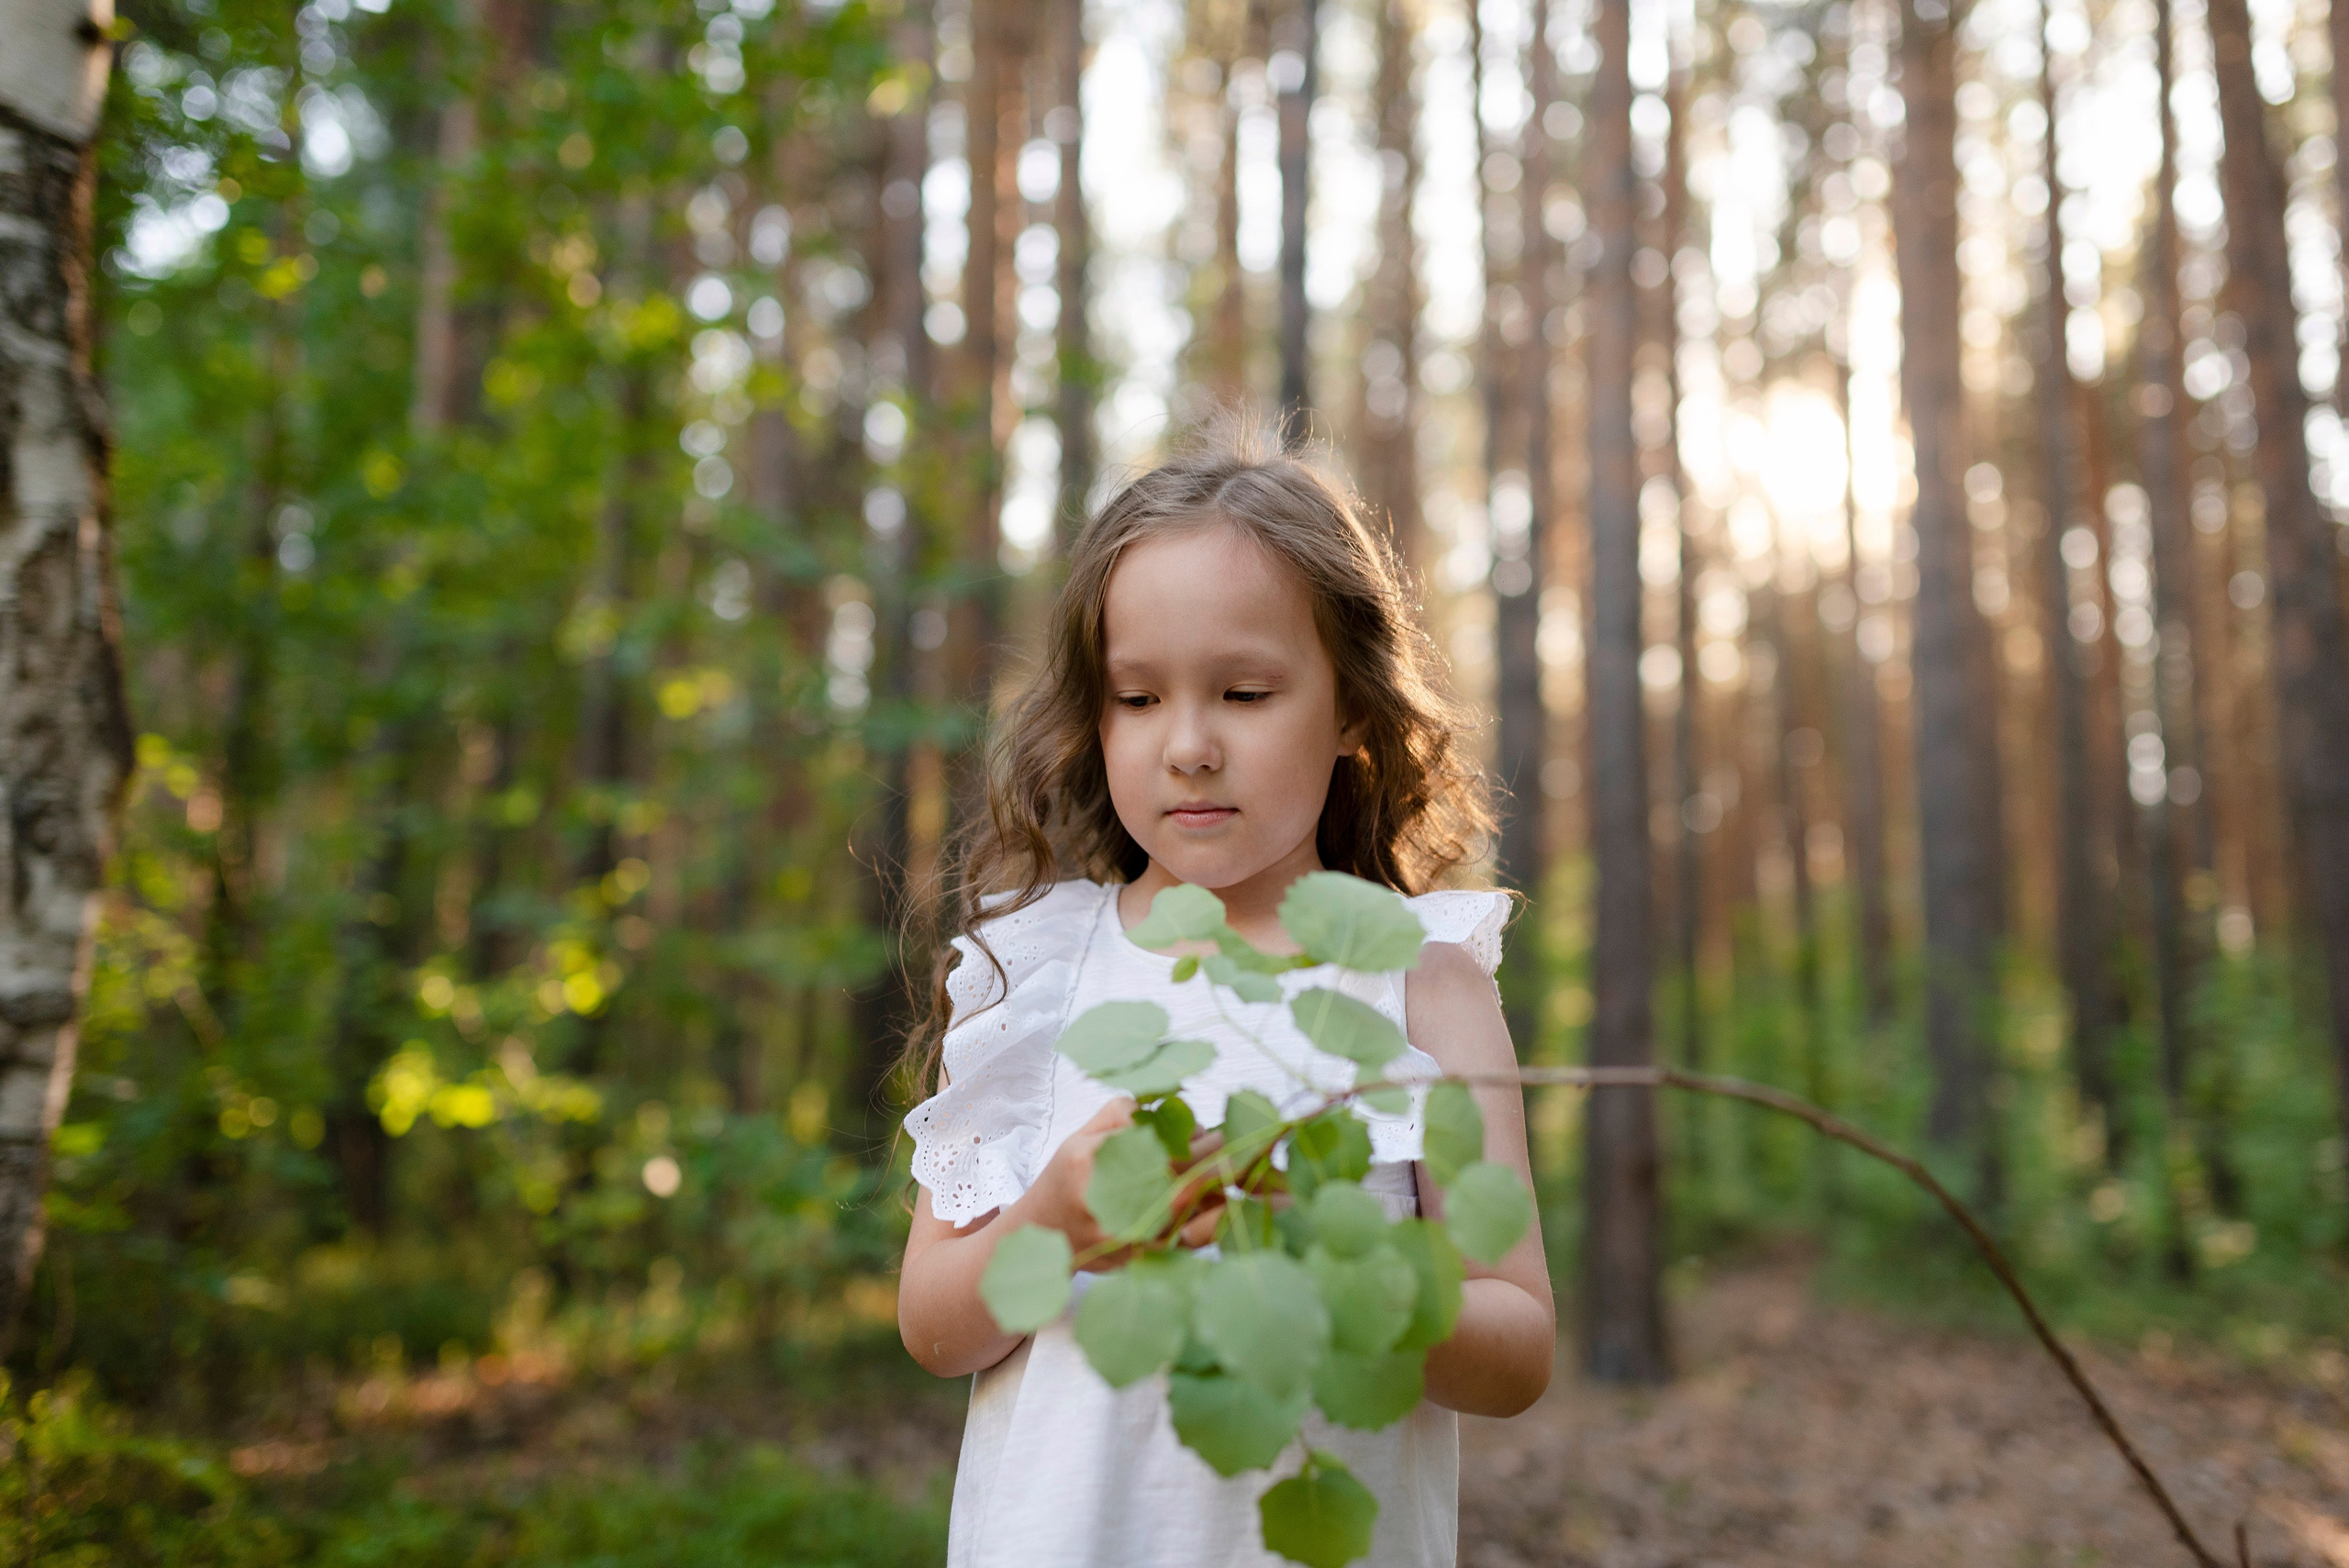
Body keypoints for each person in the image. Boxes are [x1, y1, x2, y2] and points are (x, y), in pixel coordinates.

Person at [896, 417, 1553, 1568]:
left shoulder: (1424, 981)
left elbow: (1517, 1344)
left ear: (1351, 707)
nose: (1187, 744)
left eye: (1244, 692)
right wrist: (1053, 1218)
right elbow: (934, 1325)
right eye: (1137, 698)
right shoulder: (1035, 975)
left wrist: (1329, 1264)